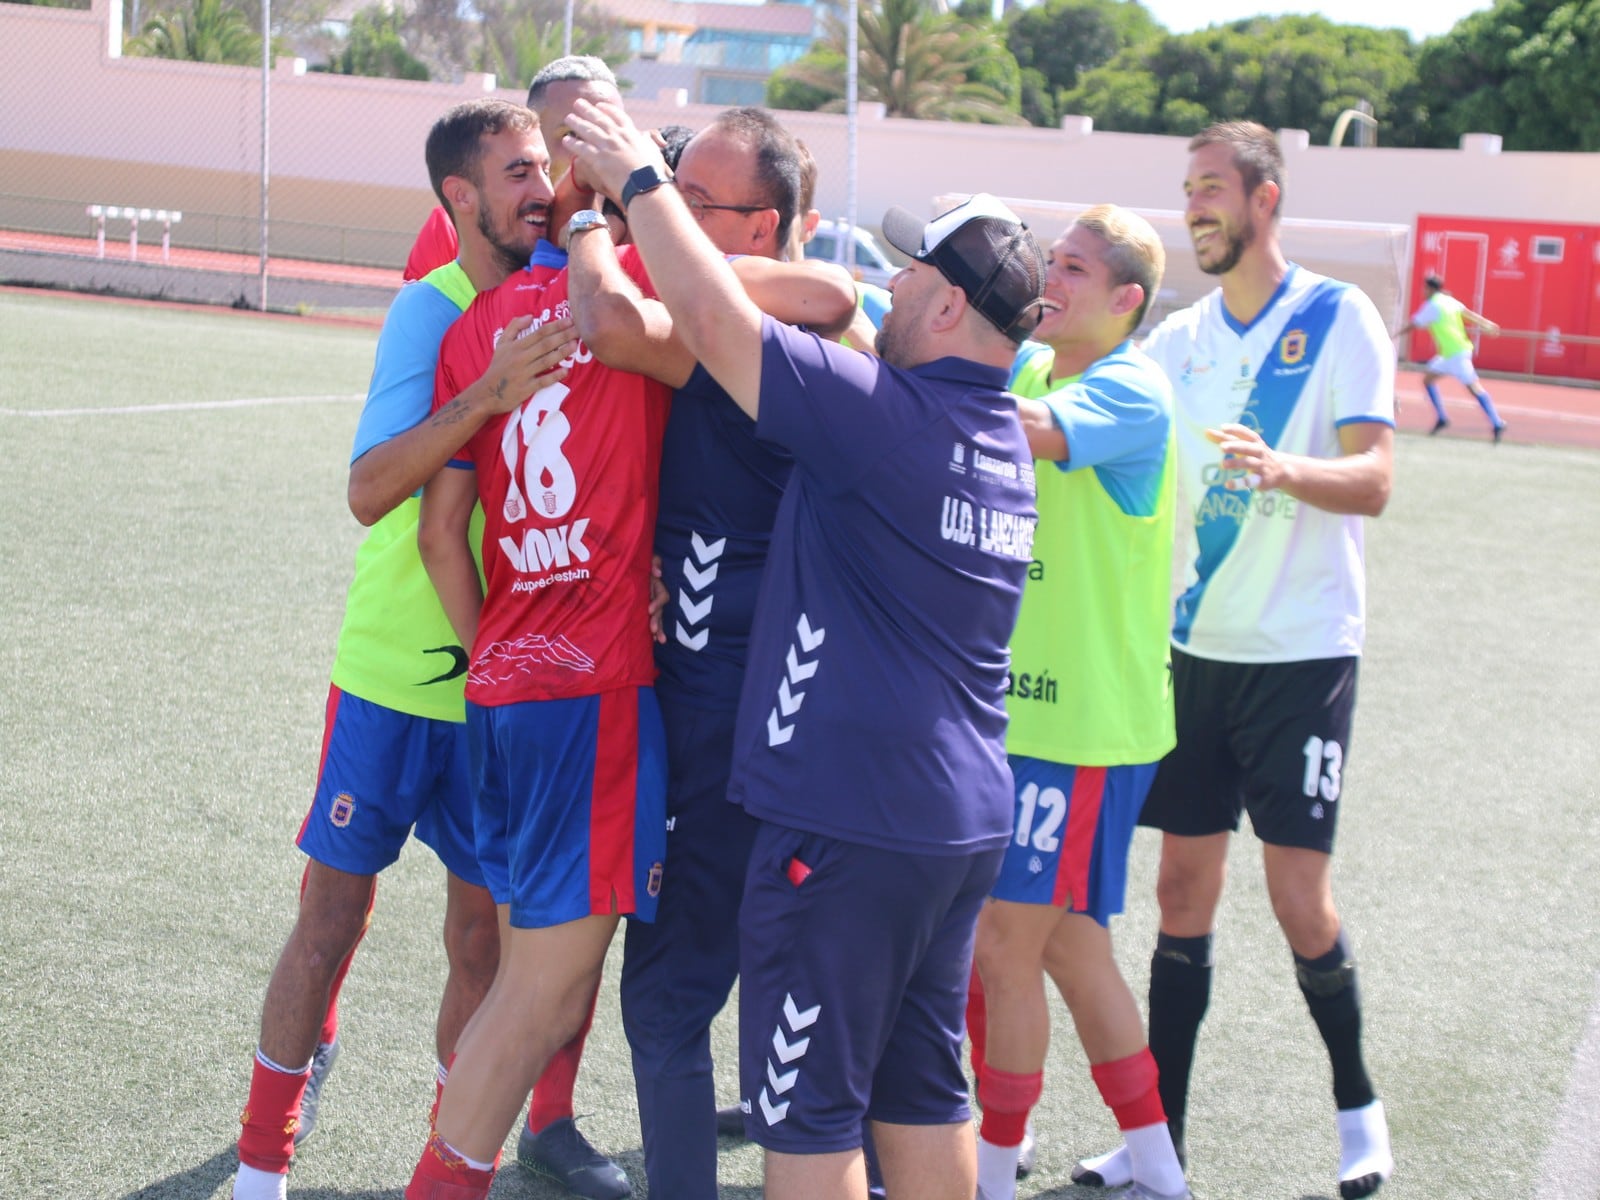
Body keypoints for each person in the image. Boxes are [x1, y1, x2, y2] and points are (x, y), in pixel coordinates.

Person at [564, 95, 1046, 1200]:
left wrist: (634, 184)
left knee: (810, 1122)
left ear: (951, 305)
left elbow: (710, 317)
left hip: (843, 827)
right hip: (959, 824)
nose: (895, 282)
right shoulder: (997, 444)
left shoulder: (880, 416)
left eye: (915, 271)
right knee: (919, 1098)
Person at [229, 98, 580, 1200]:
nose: (543, 188)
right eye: (519, 170)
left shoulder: (569, 304)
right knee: (330, 921)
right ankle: (256, 1173)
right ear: (461, 198)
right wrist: (487, 393)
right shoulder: (428, 315)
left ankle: (447, 1166)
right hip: (391, 677)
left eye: (548, 169)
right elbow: (369, 490)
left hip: (506, 687)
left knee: (480, 947)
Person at [1073, 121, 1395, 1200]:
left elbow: (1376, 480)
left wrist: (1284, 472)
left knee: (1300, 898)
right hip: (1193, 649)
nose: (1193, 207)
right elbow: (1096, 400)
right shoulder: (1180, 340)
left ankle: (1358, 1114)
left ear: (1264, 200)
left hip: (1303, 654)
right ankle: (1156, 1143)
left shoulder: (1337, 317)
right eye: (1186, 190)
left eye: (1210, 188)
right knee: (1178, 890)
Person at [566, 108, 857, 1200]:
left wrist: (598, 210)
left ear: (764, 224)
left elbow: (617, 321)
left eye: (693, 200)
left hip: (735, 719)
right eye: (668, 189)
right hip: (749, 705)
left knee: (668, 1002)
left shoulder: (767, 321)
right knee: (789, 998)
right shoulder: (770, 305)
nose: (668, 213)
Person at [969, 206, 1190, 1200]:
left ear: (1125, 300)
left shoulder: (1130, 389)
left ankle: (986, 1171)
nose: (1045, 276)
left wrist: (919, 376)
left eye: (1070, 266)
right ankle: (1156, 1167)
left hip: (1082, 731)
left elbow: (1030, 434)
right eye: (1046, 259)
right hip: (1020, 721)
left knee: (1004, 943)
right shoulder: (1030, 367)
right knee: (1067, 948)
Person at [402, 55, 623, 282]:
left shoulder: (643, 219)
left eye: (610, 133)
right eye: (572, 135)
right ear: (533, 138)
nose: (597, 149)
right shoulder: (457, 230)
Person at [1397, 271, 1506, 441]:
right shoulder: (1449, 301)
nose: (1423, 292)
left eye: (1424, 288)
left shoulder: (1433, 305)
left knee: (1474, 388)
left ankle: (1497, 422)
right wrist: (1486, 324)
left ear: (1430, 289)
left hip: (1457, 354)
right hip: (1448, 355)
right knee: (1427, 380)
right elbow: (1469, 314)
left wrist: (1395, 335)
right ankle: (1441, 418)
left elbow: (1414, 324)